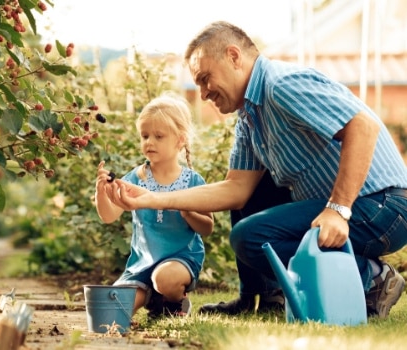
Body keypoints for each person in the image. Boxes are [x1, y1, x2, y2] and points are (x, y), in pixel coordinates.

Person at [106, 21, 407, 319]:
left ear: (234, 57)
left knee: (250, 236)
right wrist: (150, 198)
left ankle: (373, 276)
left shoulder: (281, 85)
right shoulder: (250, 118)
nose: (203, 93)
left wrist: (338, 209)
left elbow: (363, 127)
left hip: (384, 206)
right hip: (363, 207)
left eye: (205, 78)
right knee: (253, 196)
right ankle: (264, 298)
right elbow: (235, 189)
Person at [95, 94, 214, 319]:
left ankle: (174, 301)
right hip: (142, 266)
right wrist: (100, 192)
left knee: (165, 279)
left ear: (180, 140)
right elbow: (109, 216)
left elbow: (207, 228)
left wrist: (187, 212)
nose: (149, 142)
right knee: (111, 311)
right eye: (145, 135)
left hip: (180, 261)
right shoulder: (135, 178)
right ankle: (155, 299)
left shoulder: (192, 182)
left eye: (158, 136)